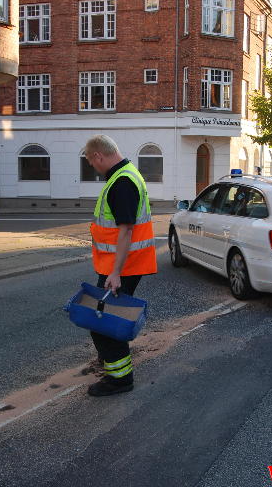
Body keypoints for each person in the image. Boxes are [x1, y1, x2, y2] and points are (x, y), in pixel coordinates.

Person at [83, 135, 158, 396]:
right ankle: (115, 368)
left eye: (91, 162)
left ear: (98, 157)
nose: (93, 167)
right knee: (107, 319)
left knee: (103, 323)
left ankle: (119, 379)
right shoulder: (127, 174)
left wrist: (115, 273)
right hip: (123, 265)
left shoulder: (122, 182)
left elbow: (126, 231)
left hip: (122, 268)